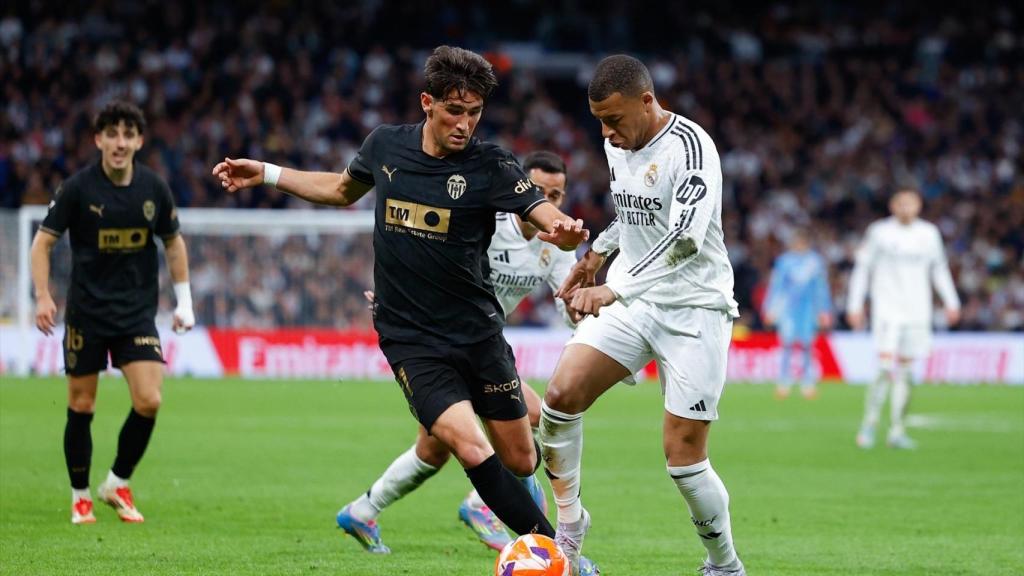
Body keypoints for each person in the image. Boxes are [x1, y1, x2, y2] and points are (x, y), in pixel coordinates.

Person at [212, 46, 588, 548]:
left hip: (478, 333)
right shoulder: (386, 146)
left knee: (521, 459)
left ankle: (375, 511)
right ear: (426, 102)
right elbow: (340, 189)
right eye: (455, 111)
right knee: (469, 445)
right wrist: (267, 171)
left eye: (474, 113)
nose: (465, 124)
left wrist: (561, 230)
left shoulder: (491, 164)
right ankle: (559, 554)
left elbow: (539, 208)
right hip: (411, 338)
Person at [335, 153, 596, 576]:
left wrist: (587, 314)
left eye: (556, 194)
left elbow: (570, 305)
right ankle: (503, 520)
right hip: (439, 341)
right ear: (522, 190)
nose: (547, 200)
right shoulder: (489, 226)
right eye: (540, 191)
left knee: (434, 449)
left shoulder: (555, 248)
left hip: (481, 346)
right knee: (529, 422)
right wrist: (396, 296)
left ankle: (363, 511)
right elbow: (425, 254)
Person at [538, 55, 746, 576]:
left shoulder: (693, 150)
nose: (606, 133)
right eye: (599, 122)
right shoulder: (618, 144)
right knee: (560, 397)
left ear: (647, 102)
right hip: (637, 300)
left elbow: (684, 238)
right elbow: (635, 219)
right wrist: (596, 256)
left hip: (695, 308)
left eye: (614, 119)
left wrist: (612, 288)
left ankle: (724, 565)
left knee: (684, 459)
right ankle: (569, 527)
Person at [31, 100, 196, 525]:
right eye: (112, 133)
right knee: (82, 405)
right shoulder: (77, 189)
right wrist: (42, 295)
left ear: (139, 141)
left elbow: (173, 243)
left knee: (150, 399)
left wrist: (185, 301)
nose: (119, 142)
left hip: (136, 315)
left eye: (128, 134)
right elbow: (42, 243)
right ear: (98, 139)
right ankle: (80, 494)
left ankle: (117, 482)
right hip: (86, 314)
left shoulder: (154, 189)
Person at [847, 189, 960, 450]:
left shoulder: (929, 234)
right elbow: (862, 269)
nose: (906, 208)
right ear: (892, 205)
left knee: (908, 372)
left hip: (918, 311)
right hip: (887, 310)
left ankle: (897, 430)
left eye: (911, 203)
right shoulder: (879, 232)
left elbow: (940, 269)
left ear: (919, 206)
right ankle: (870, 423)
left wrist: (952, 301)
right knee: (885, 367)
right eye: (901, 203)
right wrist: (855, 304)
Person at [762, 229, 833, 399]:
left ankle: (808, 382)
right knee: (786, 345)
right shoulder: (784, 262)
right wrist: (770, 309)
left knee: (807, 346)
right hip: (788, 309)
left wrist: (824, 310)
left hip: (808, 309)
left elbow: (821, 288)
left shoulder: (815, 262)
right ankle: (784, 382)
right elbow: (776, 286)